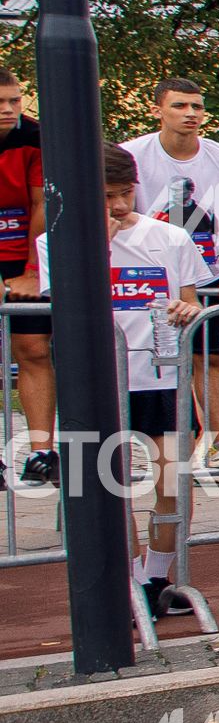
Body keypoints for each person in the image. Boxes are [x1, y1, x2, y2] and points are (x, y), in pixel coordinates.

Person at [48, 147, 214, 615]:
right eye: (106, 197)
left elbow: (191, 303)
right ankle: (115, 582)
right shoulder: (56, 242)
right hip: (97, 383)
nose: (121, 206)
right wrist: (96, 244)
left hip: (160, 378)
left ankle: (154, 578)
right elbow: (58, 308)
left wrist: (189, 311)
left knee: (173, 479)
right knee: (102, 488)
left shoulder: (169, 236)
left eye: (126, 192)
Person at [124, 76, 219, 480]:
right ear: (157, 111)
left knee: (210, 356)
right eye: (180, 106)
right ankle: (141, 454)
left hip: (210, 275)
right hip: (150, 276)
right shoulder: (132, 154)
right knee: (150, 360)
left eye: (197, 107)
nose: (191, 114)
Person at [1, 73, 55, 488]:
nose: (8, 109)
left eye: (15, 101)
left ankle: (41, 453)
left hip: (24, 255)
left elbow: (41, 201)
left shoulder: (36, 136)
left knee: (33, 349)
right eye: (1, 102)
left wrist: (32, 269)